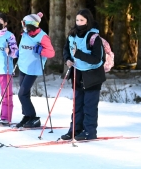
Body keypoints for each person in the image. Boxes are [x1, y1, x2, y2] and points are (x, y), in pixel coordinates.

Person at [61, 8, 106, 140]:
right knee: (77, 105)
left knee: (89, 105)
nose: (79, 22)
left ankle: (89, 131)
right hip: (77, 73)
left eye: (82, 20)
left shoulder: (94, 37)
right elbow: (66, 49)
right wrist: (67, 59)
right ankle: (75, 129)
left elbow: (97, 58)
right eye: (77, 20)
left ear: (88, 21)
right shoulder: (72, 34)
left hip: (93, 76)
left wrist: (78, 54)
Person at [16, 12, 55, 128]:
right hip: (23, 66)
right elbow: (23, 46)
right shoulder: (25, 34)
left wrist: (41, 51)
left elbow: (51, 53)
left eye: (24, 23)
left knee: (21, 94)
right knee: (25, 93)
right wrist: (19, 52)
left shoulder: (42, 36)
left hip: (33, 69)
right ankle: (27, 116)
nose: (22, 25)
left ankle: (33, 117)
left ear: (29, 24)